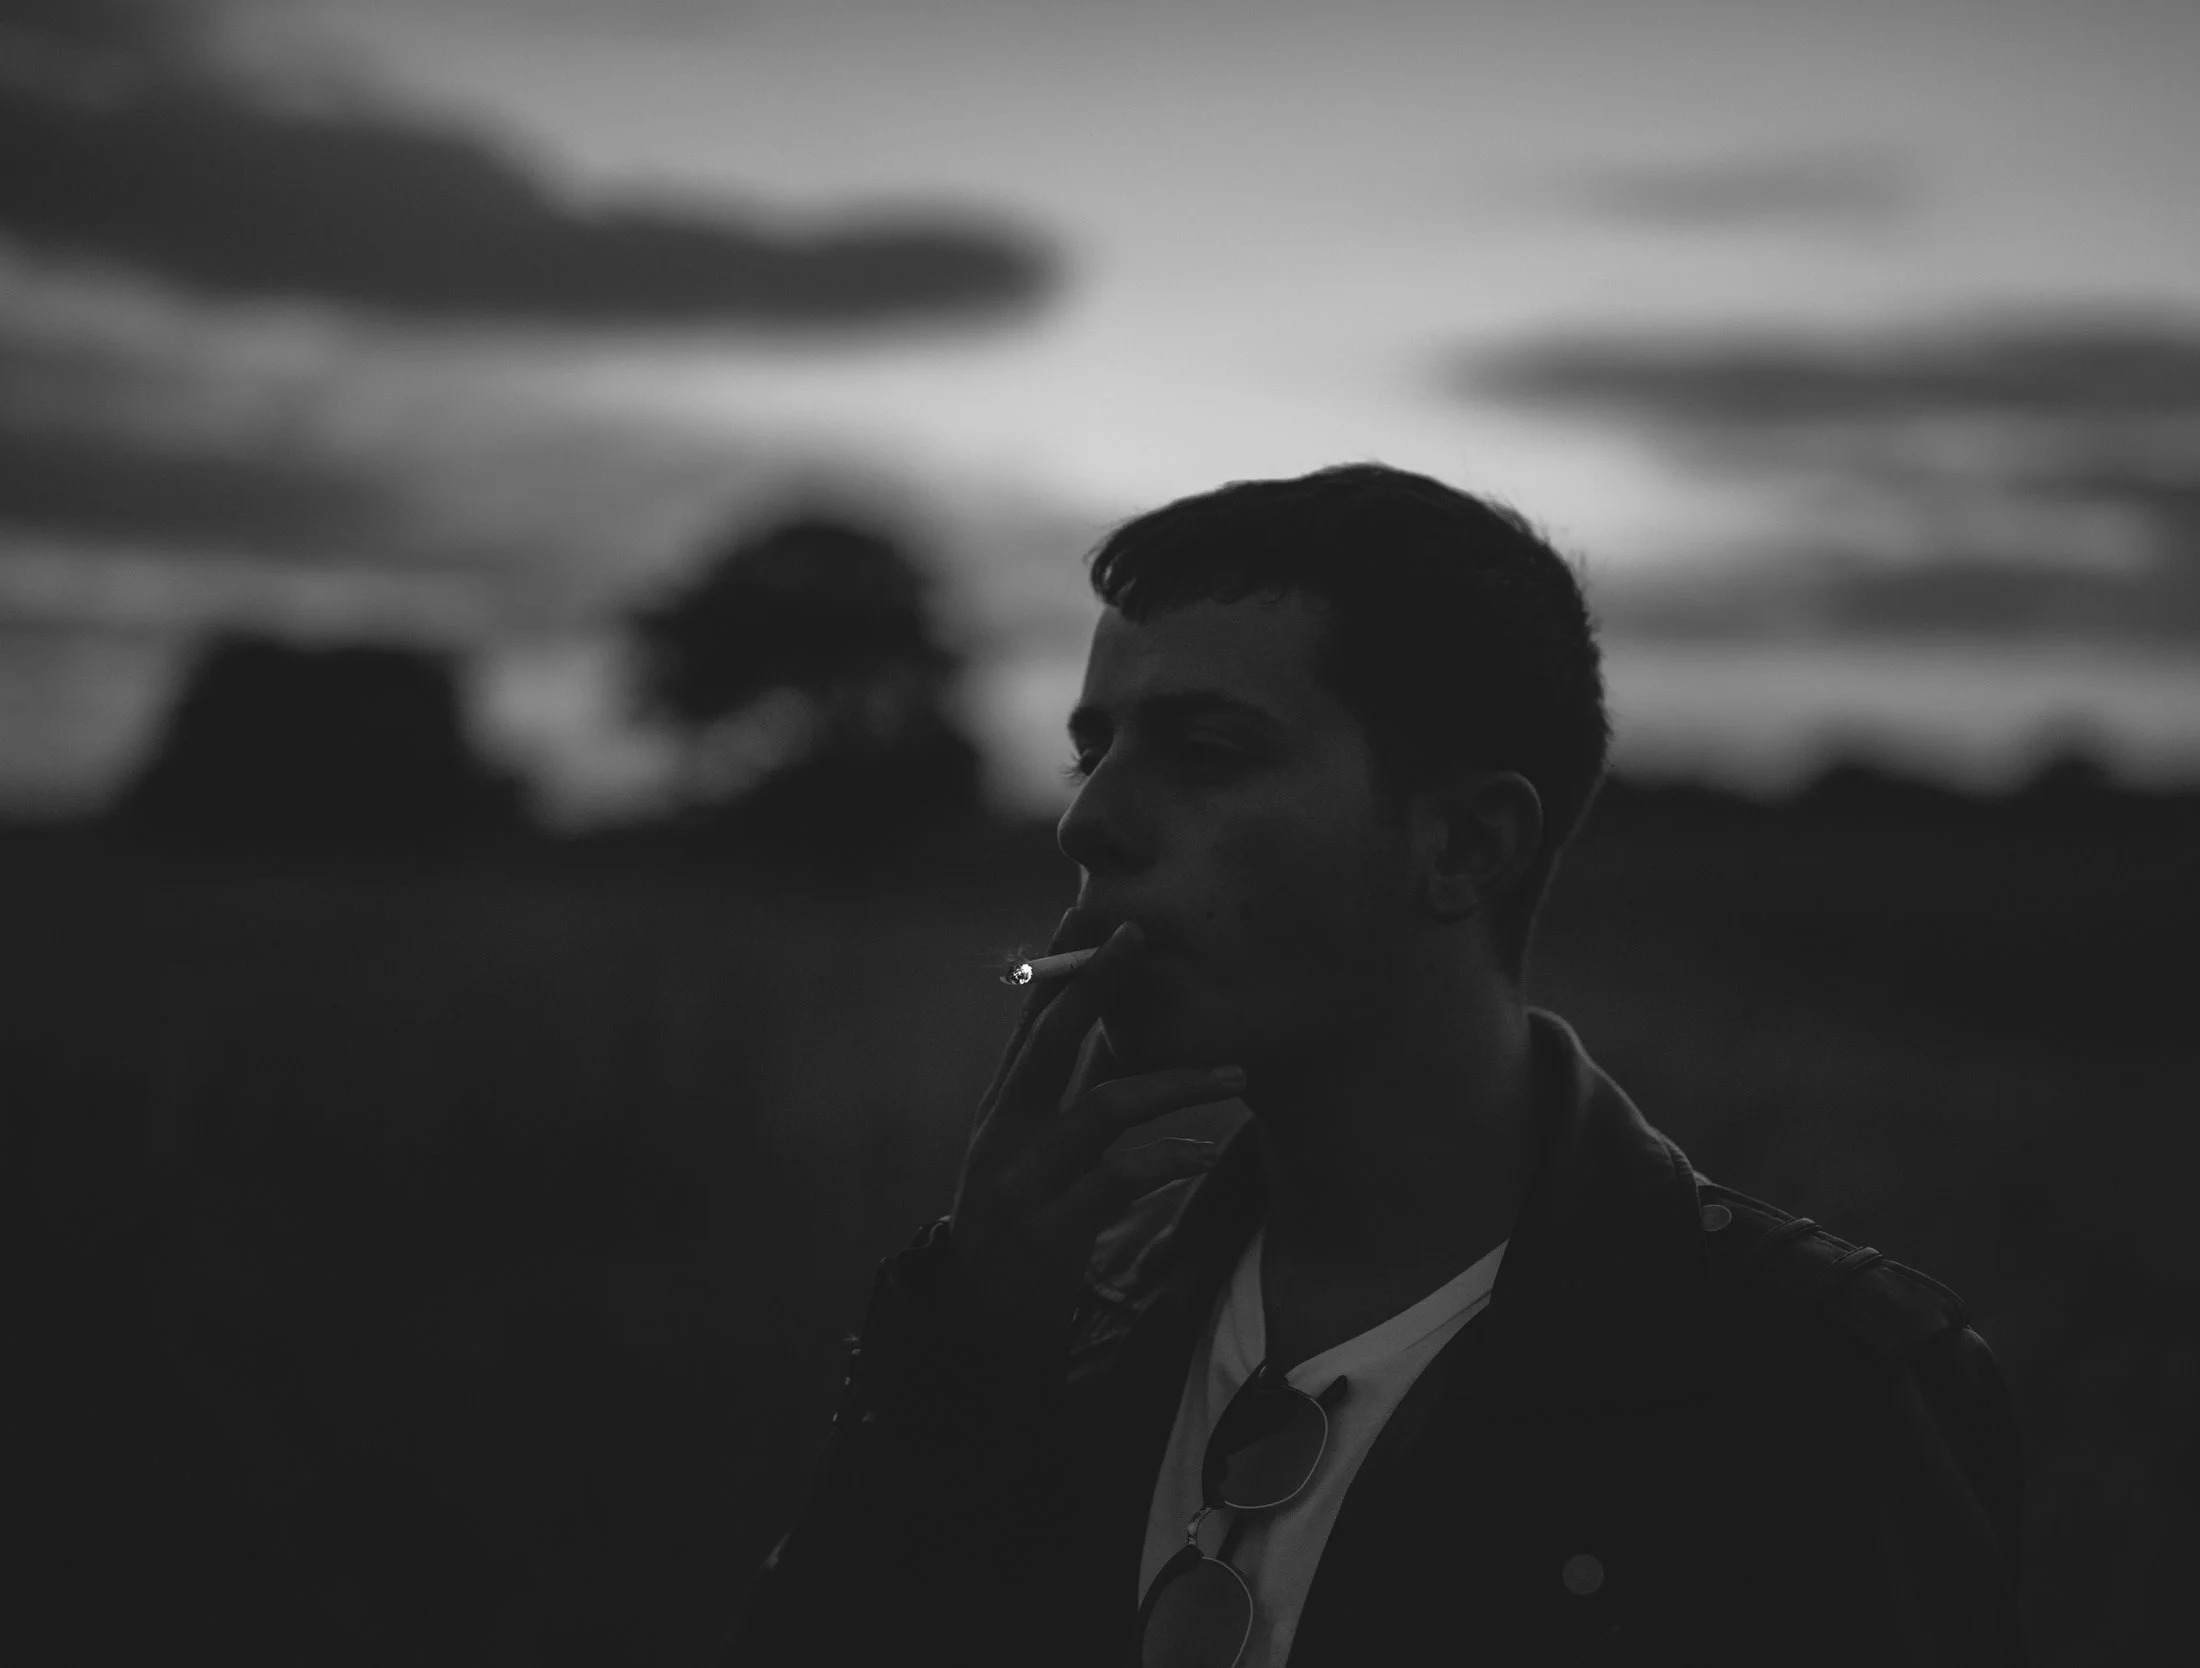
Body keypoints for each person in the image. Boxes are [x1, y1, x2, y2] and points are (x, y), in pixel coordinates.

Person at [722, 463, 2025, 1667]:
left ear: (1465, 845)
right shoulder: (1062, 1333)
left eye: (1207, 752)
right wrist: (968, 1343)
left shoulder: (1810, 1394)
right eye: (1093, 747)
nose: (1090, 818)